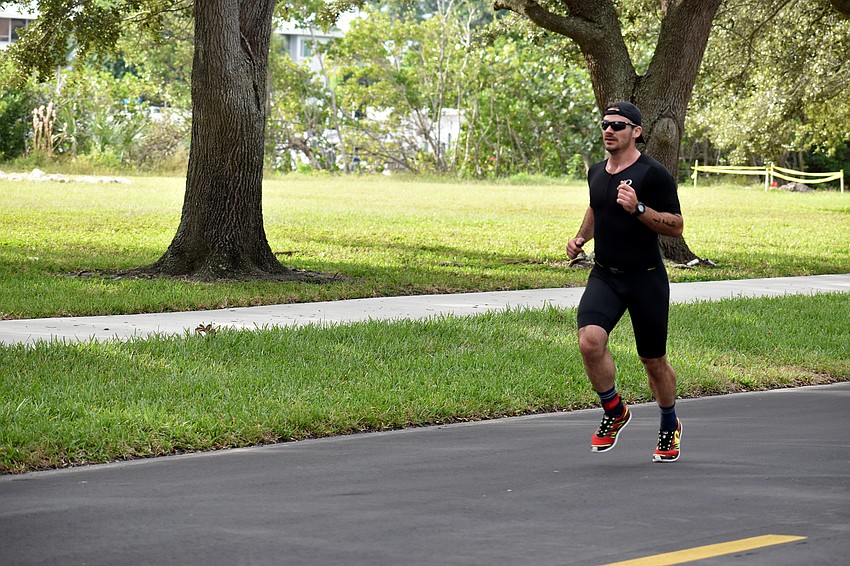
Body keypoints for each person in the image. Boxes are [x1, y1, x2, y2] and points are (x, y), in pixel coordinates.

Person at [566, 101, 684, 463]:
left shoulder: (653, 174)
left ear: (636, 132)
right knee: (590, 341)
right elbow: (595, 207)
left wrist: (640, 209)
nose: (609, 130)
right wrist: (581, 237)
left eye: (618, 125)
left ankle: (669, 423)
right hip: (605, 274)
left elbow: (677, 226)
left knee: (653, 361)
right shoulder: (596, 171)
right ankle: (614, 410)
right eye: (605, 124)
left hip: (645, 278)